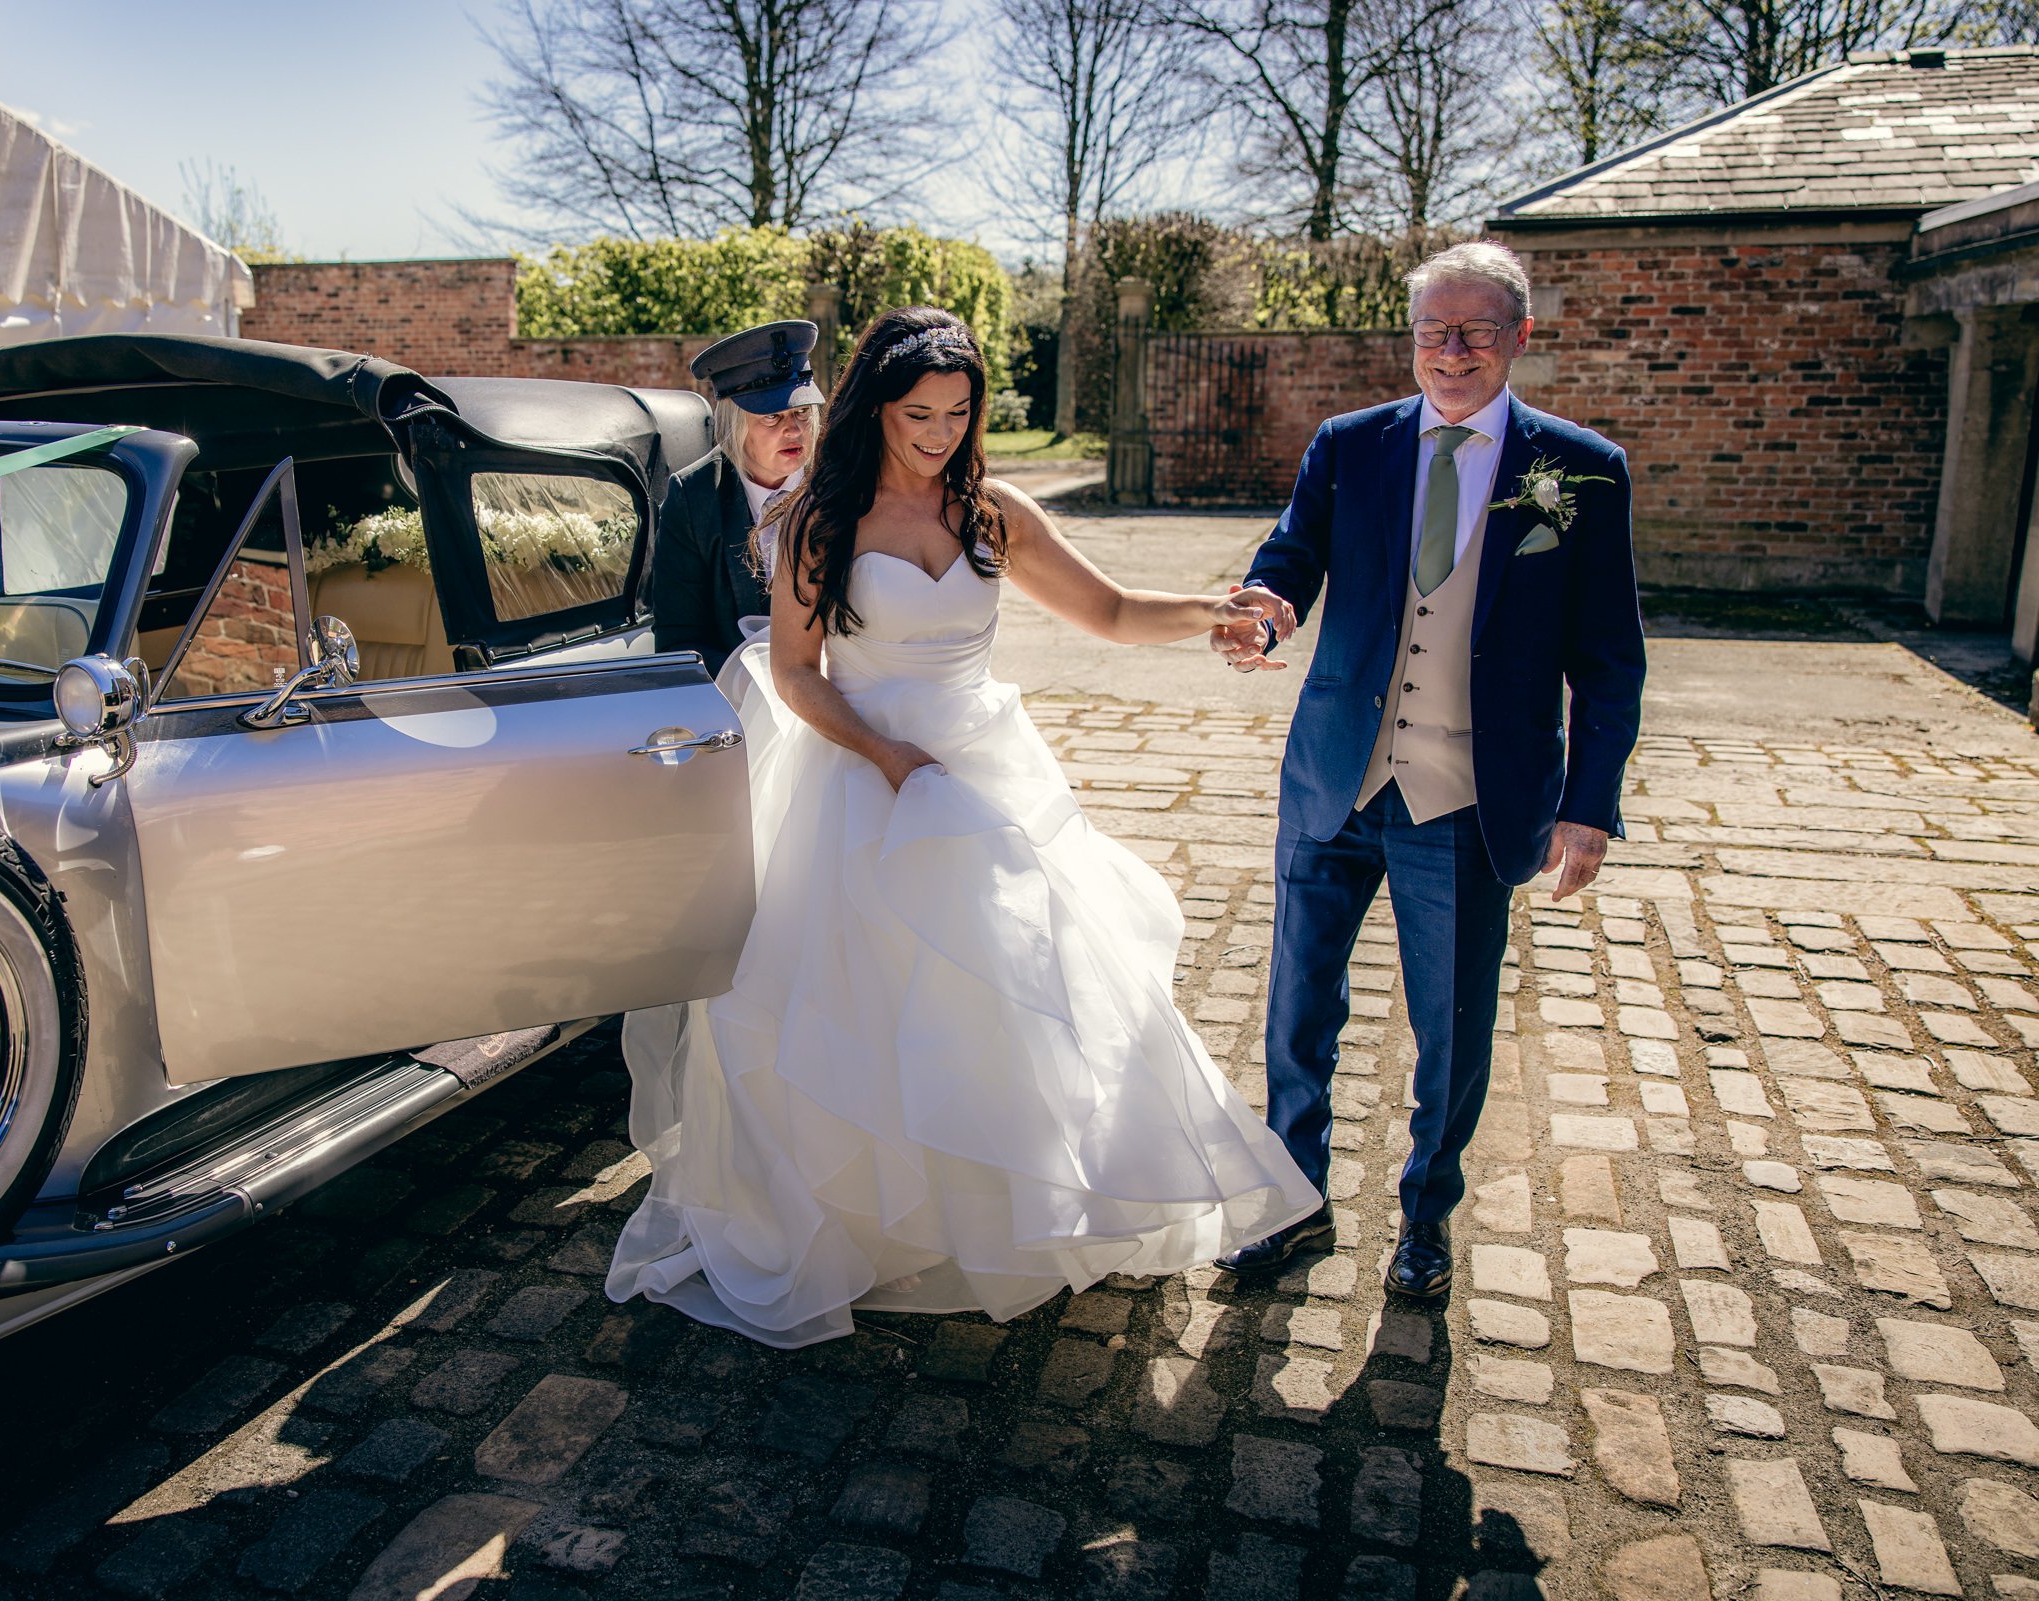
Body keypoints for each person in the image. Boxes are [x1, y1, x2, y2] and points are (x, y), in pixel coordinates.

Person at [605, 307, 1321, 1348]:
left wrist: (1210, 611)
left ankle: (1000, 1208)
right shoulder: (822, 520)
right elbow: (798, 675)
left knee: (1013, 993)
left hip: (982, 776)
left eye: (958, 411)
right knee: (856, 1011)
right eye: (917, 414)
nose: (939, 433)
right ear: (875, 410)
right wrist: (892, 759)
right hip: (861, 777)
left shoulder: (997, 512)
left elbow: (1111, 611)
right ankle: (866, 1224)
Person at [1211, 240, 1645, 1298]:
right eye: (1432, 331)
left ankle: (1425, 1217)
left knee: (1452, 1027)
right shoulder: (1349, 445)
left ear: (1519, 337)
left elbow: (1609, 655)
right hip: (1334, 784)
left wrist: (1588, 805)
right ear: (1410, 339)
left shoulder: (1580, 469)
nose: (1451, 351)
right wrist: (1266, 608)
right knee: (1298, 1008)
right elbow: (1291, 557)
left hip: (1466, 800)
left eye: (1476, 331)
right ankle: (1295, 1200)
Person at [650, 319, 824, 673]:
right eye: (773, 416)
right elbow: (678, 643)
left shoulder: (841, 482)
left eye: (802, 412)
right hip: (740, 706)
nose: (793, 429)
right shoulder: (693, 498)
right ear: (735, 422)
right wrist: (761, 687)